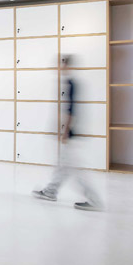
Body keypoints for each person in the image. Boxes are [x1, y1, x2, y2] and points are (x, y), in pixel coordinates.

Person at [32, 54, 103, 211]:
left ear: (68, 66)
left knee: (74, 169)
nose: (59, 68)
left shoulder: (71, 84)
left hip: (70, 134)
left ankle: (94, 200)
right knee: (63, 165)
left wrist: (65, 132)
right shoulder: (68, 83)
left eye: (62, 65)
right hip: (68, 133)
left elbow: (71, 111)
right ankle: (50, 191)